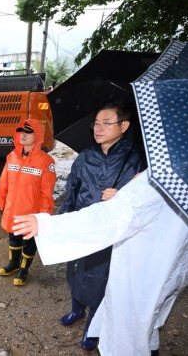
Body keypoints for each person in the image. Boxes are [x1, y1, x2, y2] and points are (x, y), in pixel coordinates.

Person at [11, 171, 188, 356]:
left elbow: (111, 216)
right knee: (150, 321)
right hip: (171, 269)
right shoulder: (181, 174)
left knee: (129, 334)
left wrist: (49, 226)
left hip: (141, 273)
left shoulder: (162, 177)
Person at [57, 101, 144, 352]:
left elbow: (145, 199)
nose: (99, 128)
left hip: (111, 230)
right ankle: (77, 310)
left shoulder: (135, 159)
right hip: (83, 224)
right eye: (96, 123)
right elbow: (71, 190)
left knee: (99, 278)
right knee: (74, 270)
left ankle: (92, 329)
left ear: (124, 126)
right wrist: (64, 221)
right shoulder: (86, 156)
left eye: (107, 123)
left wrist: (123, 194)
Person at [0, 119, 56, 286]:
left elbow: (46, 192)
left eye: (28, 132)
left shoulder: (45, 162)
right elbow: (3, 181)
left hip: (31, 212)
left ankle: (24, 270)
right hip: (12, 209)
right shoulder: (12, 156)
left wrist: (44, 214)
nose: (23, 134)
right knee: (13, 238)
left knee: (28, 242)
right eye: (21, 131)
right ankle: (13, 264)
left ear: (37, 135)